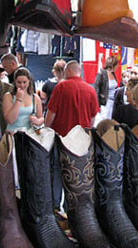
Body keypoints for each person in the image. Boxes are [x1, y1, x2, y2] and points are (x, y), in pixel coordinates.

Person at [46, 60, 99, 210]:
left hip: (60, 137)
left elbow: (52, 113)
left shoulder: (61, 87)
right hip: (80, 141)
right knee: (77, 175)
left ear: (67, 72)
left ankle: (56, 206)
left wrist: (46, 130)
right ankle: (74, 208)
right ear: (79, 72)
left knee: (56, 171)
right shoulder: (90, 90)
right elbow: (92, 118)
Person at [2, 67, 43, 133]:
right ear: (15, 82)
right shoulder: (8, 96)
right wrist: (18, 100)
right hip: (13, 134)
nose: (22, 85)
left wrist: (37, 121)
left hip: (29, 135)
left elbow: (41, 118)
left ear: (29, 81)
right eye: (19, 82)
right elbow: (10, 120)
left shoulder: (35, 97)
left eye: (24, 82)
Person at [93, 56, 118, 122]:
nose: (117, 67)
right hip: (104, 102)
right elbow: (96, 89)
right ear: (113, 65)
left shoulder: (113, 74)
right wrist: (97, 104)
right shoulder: (101, 74)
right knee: (102, 120)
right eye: (116, 65)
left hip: (113, 102)